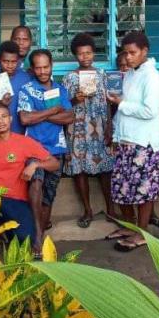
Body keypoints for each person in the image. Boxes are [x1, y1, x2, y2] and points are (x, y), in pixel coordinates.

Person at [0, 103, 60, 255]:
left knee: (26, 239)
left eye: (4, 117)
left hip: (16, 200)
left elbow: (54, 163)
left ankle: (6, 233)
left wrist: (35, 164)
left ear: (10, 119)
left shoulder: (24, 142)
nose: (0, 121)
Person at [105, 31, 159, 252]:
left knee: (143, 191)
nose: (128, 57)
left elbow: (150, 111)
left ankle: (142, 233)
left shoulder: (152, 78)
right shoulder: (130, 74)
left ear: (144, 52)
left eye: (133, 53)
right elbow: (124, 109)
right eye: (126, 53)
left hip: (144, 143)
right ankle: (131, 227)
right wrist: (116, 137)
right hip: (126, 141)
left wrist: (122, 104)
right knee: (122, 188)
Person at [18, 49, 74, 250]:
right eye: (38, 67)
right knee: (36, 183)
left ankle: (40, 233)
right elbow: (25, 119)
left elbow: (69, 117)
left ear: (52, 66)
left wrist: (39, 114)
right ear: (32, 69)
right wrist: (52, 110)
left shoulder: (60, 90)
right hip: (32, 147)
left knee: (49, 194)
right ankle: (38, 236)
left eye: (46, 66)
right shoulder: (26, 90)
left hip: (56, 149)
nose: (42, 71)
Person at [61, 33, 116, 228]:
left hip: (100, 128)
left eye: (88, 53)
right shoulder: (69, 78)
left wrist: (110, 126)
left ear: (94, 53)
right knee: (79, 170)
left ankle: (111, 209)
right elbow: (62, 106)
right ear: (75, 56)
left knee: (106, 170)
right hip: (77, 128)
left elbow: (110, 103)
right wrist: (76, 99)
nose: (85, 57)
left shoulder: (102, 75)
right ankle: (87, 210)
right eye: (81, 54)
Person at [0, 40, 33, 133]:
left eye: (13, 62)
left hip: (23, 135)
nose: (9, 65)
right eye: (5, 61)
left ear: (19, 61)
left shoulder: (27, 79)